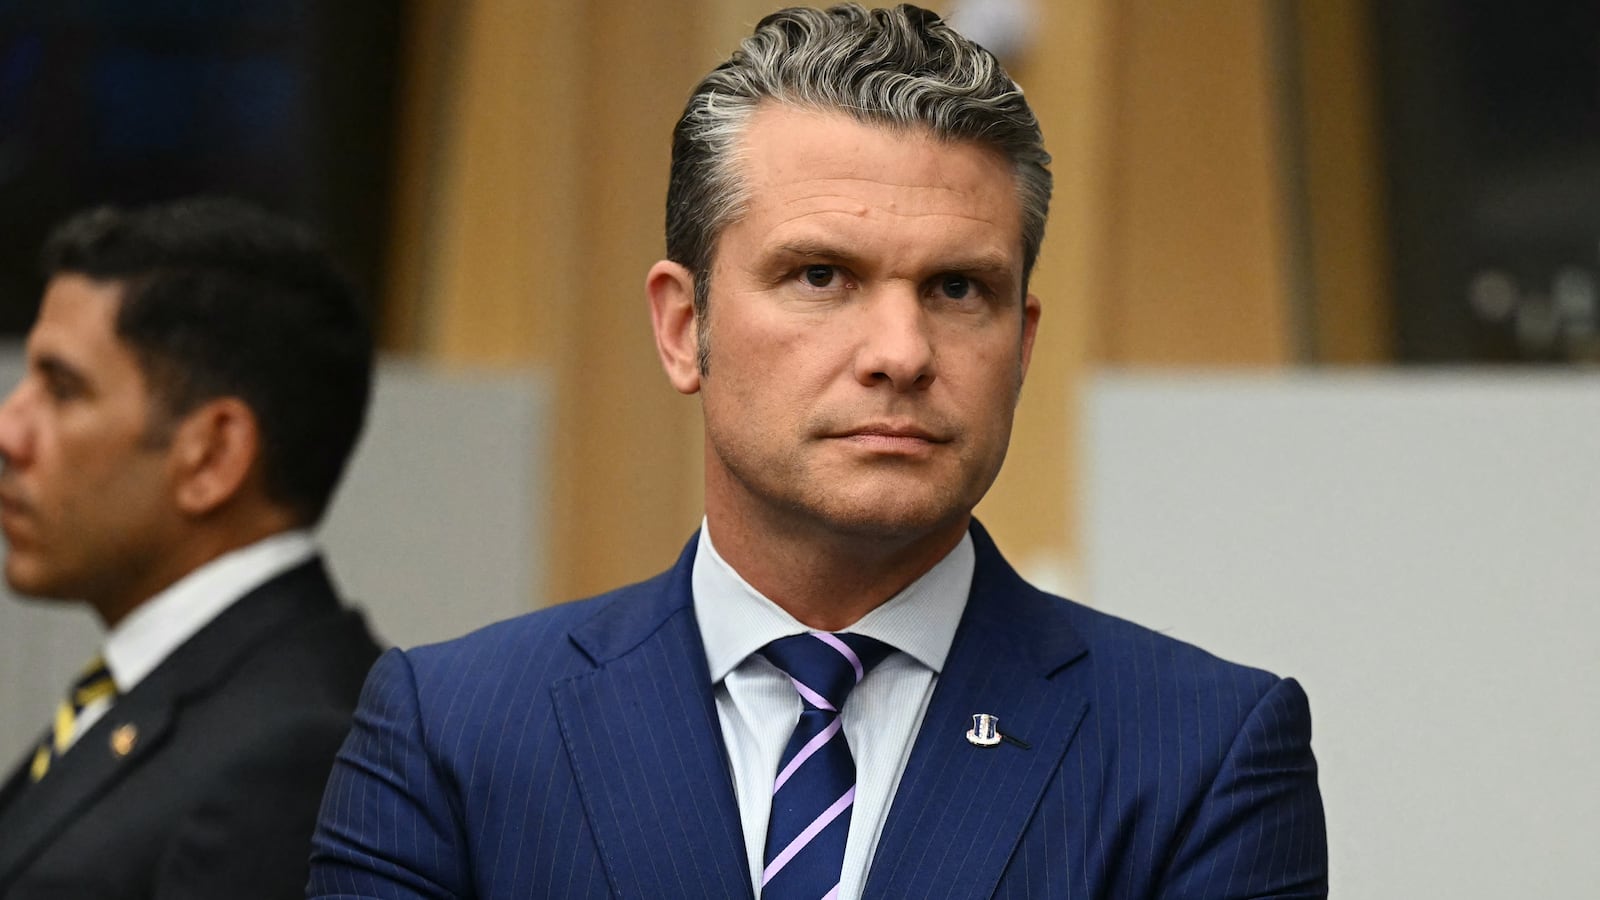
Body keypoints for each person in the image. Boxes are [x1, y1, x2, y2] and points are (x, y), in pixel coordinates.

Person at [309, 5, 1327, 898]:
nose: (900, 354)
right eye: (821, 276)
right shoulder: (453, 735)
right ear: (682, 325)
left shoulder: (1199, 752)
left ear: (1021, 344)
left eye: (957, 289)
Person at [0, 197, 383, 899]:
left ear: (212, 455)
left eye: (62, 389)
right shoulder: (177, 697)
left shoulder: (293, 752)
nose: (9, 431)